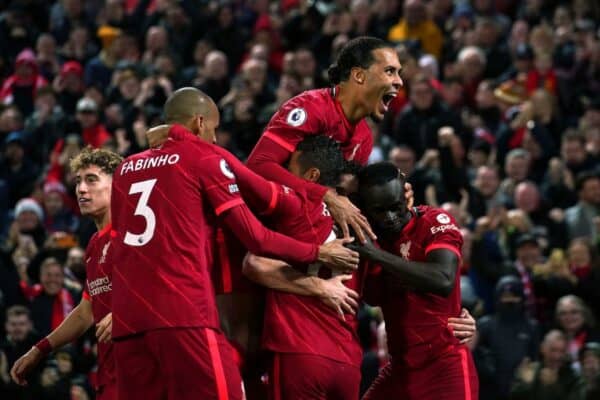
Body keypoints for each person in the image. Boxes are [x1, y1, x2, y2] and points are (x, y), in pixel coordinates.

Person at [110, 88, 358, 400]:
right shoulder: (203, 156)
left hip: (128, 320)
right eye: (212, 129)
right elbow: (256, 235)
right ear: (200, 123)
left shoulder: (125, 169)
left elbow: (117, 241)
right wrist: (318, 251)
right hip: (183, 312)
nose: (214, 139)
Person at [246, 36, 403, 242]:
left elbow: (346, 195)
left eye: (399, 73)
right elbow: (257, 165)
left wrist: (395, 196)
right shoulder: (311, 108)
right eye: (389, 71)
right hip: (257, 225)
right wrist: (324, 195)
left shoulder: (364, 136)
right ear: (359, 75)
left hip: (304, 232)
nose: (399, 81)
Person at [349, 162, 479, 399]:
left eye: (395, 207)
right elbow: (373, 296)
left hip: (445, 365)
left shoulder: (434, 221)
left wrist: (375, 255)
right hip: (401, 369)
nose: (390, 217)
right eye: (379, 211)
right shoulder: (370, 238)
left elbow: (443, 280)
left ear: (406, 195)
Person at [10, 147, 122, 399]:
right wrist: (38, 350)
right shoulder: (94, 245)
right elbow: (85, 312)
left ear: (117, 185)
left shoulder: (135, 234)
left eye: (91, 180)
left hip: (141, 369)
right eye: (78, 182)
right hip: (110, 371)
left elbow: (166, 284)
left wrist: (127, 311)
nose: (81, 189)